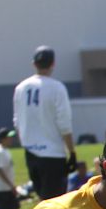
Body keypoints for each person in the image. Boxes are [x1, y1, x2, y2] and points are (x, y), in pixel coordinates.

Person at [12, 46, 76, 200]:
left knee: (42, 200)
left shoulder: (21, 88)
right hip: (53, 153)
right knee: (55, 203)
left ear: (34, 64)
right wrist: (71, 151)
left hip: (31, 153)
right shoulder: (57, 87)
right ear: (53, 64)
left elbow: (17, 122)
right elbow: (64, 124)